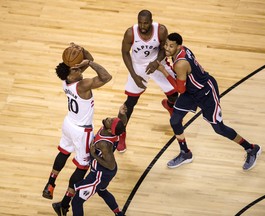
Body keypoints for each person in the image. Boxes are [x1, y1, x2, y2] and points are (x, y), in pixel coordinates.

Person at [154, 32, 261, 170]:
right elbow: (184, 88)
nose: (167, 48)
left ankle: (251, 149)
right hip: (191, 91)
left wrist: (163, 70)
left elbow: (179, 90)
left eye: (171, 46)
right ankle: (185, 153)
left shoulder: (180, 64)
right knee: (175, 120)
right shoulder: (181, 51)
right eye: (166, 45)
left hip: (205, 92)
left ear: (179, 46)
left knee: (219, 128)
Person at [42, 43, 112, 214]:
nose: (80, 71)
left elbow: (88, 61)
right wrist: (89, 62)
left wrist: (82, 52)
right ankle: (64, 203)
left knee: (64, 152)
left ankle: (50, 184)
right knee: (82, 166)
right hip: (82, 131)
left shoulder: (66, 81)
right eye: (76, 70)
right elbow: (106, 77)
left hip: (69, 123)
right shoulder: (82, 85)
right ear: (71, 74)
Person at [117, 9, 179, 152]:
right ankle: (121, 134)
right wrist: (133, 75)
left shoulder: (161, 30)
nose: (143, 26)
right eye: (140, 23)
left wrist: (157, 61)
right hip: (138, 66)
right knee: (130, 103)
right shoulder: (130, 33)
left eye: (146, 23)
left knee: (174, 93)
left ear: (151, 21)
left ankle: (170, 105)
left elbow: (165, 48)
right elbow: (125, 53)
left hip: (157, 63)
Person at [69, 104, 127, 216]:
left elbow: (110, 165)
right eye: (111, 119)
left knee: (76, 201)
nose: (108, 119)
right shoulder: (112, 130)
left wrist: (93, 154)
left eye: (110, 121)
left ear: (110, 130)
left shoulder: (104, 144)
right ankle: (119, 213)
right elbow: (122, 123)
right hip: (104, 172)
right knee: (102, 191)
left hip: (100, 174)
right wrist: (121, 114)